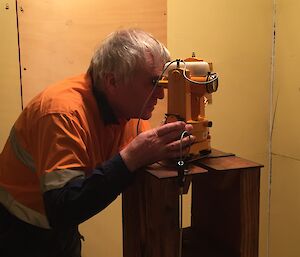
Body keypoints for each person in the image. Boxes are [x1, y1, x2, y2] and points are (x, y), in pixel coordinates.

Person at [0, 28, 194, 257]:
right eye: (153, 82)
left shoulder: (130, 112)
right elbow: (62, 207)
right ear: (112, 81)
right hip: (17, 231)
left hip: (62, 231)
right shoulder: (61, 113)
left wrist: (168, 155)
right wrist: (130, 159)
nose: (160, 95)